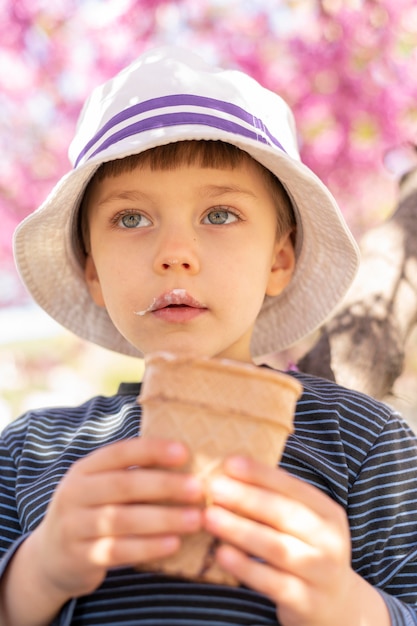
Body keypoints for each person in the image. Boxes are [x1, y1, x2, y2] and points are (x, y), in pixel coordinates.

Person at [1, 46, 416, 626]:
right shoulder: (27, 450)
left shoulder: (363, 440)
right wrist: (38, 571)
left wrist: (345, 606)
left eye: (219, 214)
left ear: (280, 258)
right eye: (130, 218)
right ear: (92, 269)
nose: (175, 255)